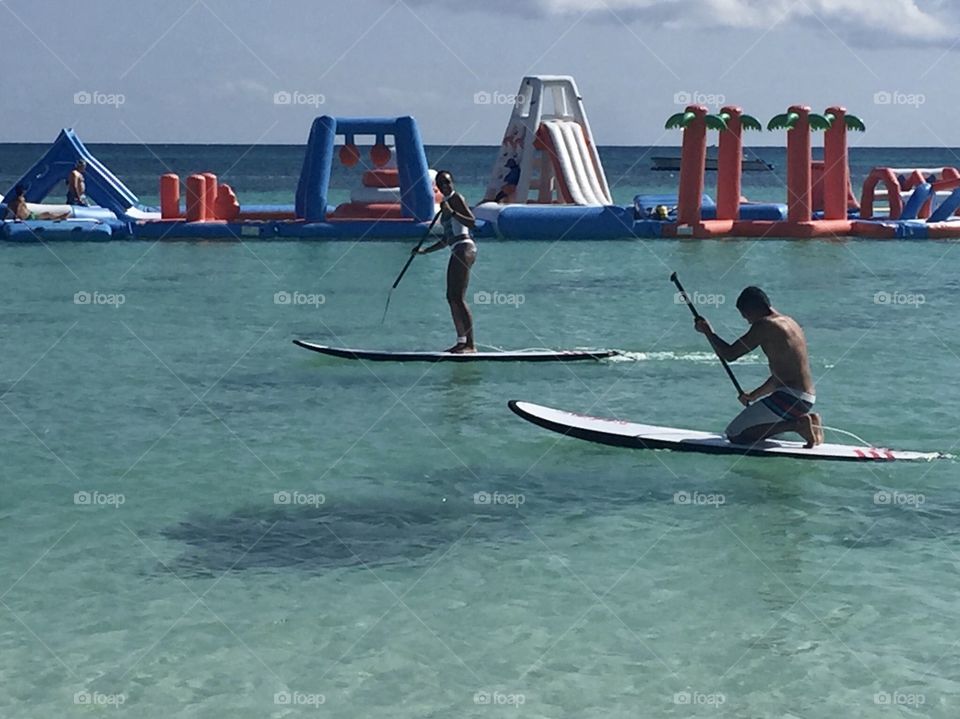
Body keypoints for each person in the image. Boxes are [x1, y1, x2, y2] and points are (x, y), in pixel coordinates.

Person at [694, 286, 823, 447]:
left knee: (735, 434)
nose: (747, 321)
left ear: (753, 308)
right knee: (749, 428)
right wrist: (753, 395)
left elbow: (730, 354)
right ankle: (811, 420)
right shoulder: (791, 322)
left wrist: (708, 332)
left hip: (790, 398)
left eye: (746, 316)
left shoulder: (765, 325)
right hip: (806, 398)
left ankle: (796, 425)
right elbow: (781, 376)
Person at [413, 170, 477, 353]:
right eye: (442, 184)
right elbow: (446, 240)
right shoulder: (445, 205)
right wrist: (425, 251)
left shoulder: (457, 199)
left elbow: (472, 223)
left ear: (452, 183)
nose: (446, 186)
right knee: (451, 297)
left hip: (465, 248)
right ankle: (461, 341)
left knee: (459, 297)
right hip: (455, 248)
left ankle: (471, 345)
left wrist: (453, 212)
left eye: (448, 182)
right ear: (438, 188)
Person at [4, 185, 70, 221]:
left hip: (30, 215)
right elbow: (18, 208)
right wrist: (17, 217)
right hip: (28, 217)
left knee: (46, 214)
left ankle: (60, 216)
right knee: (47, 214)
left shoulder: (13, 201)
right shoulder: (20, 199)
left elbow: (10, 208)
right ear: (23, 192)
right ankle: (60, 216)